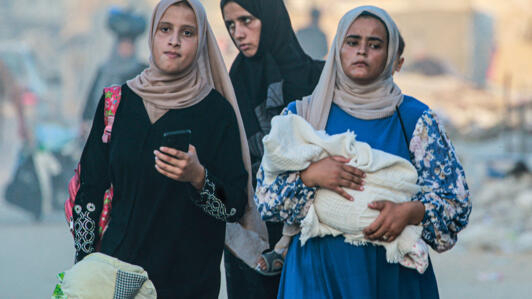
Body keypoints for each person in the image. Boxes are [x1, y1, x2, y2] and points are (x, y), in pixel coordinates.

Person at [255, 5, 471, 298]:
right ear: (337, 50)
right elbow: (265, 199)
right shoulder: (302, 115)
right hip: (316, 274)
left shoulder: (415, 119)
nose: (362, 51)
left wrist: (412, 212)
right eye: (352, 42)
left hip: (393, 279)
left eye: (375, 44)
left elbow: (456, 204)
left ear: (391, 56)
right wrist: (310, 177)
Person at [71, 0, 267, 297]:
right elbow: (91, 189)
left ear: (201, 41)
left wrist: (198, 177)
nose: (174, 40)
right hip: (117, 277)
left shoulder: (216, 113)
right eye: (165, 29)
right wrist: (84, 263)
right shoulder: (116, 103)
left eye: (187, 32)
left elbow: (235, 206)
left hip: (187, 282)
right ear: (153, 34)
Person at [220, 0, 325, 297]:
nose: (238, 33)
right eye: (231, 25)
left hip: (312, 229)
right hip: (253, 234)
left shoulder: (316, 80)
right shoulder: (233, 84)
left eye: (247, 21)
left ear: (271, 18)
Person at [82, 7, 148, 128]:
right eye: (123, 45)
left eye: (129, 46)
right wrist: (86, 122)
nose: (126, 49)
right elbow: (90, 105)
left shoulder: (142, 71)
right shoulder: (104, 70)